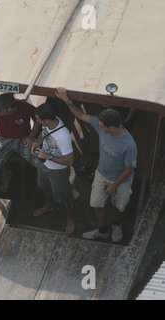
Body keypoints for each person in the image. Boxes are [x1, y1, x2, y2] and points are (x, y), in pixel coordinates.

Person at [55, 87, 138, 242]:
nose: (98, 127)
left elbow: (129, 169)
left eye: (101, 126)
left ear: (112, 128)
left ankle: (116, 225)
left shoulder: (129, 145)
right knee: (96, 203)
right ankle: (102, 231)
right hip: (101, 174)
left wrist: (114, 185)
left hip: (122, 180)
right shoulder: (103, 128)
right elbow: (80, 114)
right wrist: (67, 100)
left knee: (120, 207)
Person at [31, 102, 76, 234]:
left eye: (39, 119)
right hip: (43, 164)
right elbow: (44, 134)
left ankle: (71, 218)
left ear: (48, 120)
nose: (36, 121)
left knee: (64, 197)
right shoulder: (49, 124)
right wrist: (37, 142)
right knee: (44, 186)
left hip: (57, 170)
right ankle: (48, 206)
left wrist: (48, 156)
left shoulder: (63, 136)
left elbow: (70, 161)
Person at [0, 93, 42, 192]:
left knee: (38, 161)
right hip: (2, 138)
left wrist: (31, 137)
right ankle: (5, 178)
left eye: (0, 111)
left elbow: (38, 120)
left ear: (9, 109)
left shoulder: (25, 106)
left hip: (23, 138)